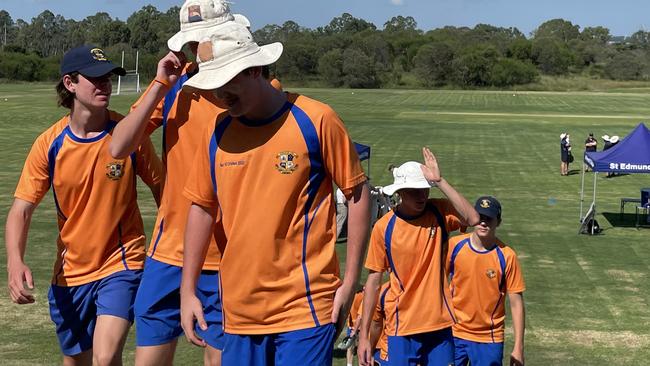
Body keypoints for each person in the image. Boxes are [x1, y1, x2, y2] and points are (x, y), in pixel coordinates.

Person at [179, 18, 371, 366]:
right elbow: (201, 208)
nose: (220, 96)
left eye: (227, 83)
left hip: (305, 308)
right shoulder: (216, 130)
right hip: (238, 310)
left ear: (255, 70)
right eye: (214, 86)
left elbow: (357, 195)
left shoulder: (316, 119)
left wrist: (351, 278)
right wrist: (187, 289)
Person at [5, 45, 162, 366]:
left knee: (105, 358)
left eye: (107, 77)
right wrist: (14, 261)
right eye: (95, 78)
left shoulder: (128, 135)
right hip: (70, 274)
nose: (104, 85)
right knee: (77, 361)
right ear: (70, 83)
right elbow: (21, 209)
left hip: (122, 264)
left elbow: (163, 189)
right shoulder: (49, 144)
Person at [108, 1, 236, 365]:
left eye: (203, 41)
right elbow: (119, 146)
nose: (196, 51)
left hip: (227, 256)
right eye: (191, 43)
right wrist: (161, 84)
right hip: (169, 253)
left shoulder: (249, 89)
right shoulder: (178, 86)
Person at [358, 149, 480, 366]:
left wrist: (440, 181)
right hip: (402, 325)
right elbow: (374, 282)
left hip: (439, 323)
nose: (422, 196)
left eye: (424, 190)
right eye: (414, 191)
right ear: (400, 192)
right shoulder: (384, 228)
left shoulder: (439, 211)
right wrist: (364, 337)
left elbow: (472, 218)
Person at [447, 196, 526, 366]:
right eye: (480, 217)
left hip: (489, 338)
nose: (483, 223)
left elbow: (516, 303)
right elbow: (435, 283)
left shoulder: (507, 256)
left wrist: (518, 347)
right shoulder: (454, 246)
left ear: (498, 222)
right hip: (453, 332)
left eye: (489, 219)